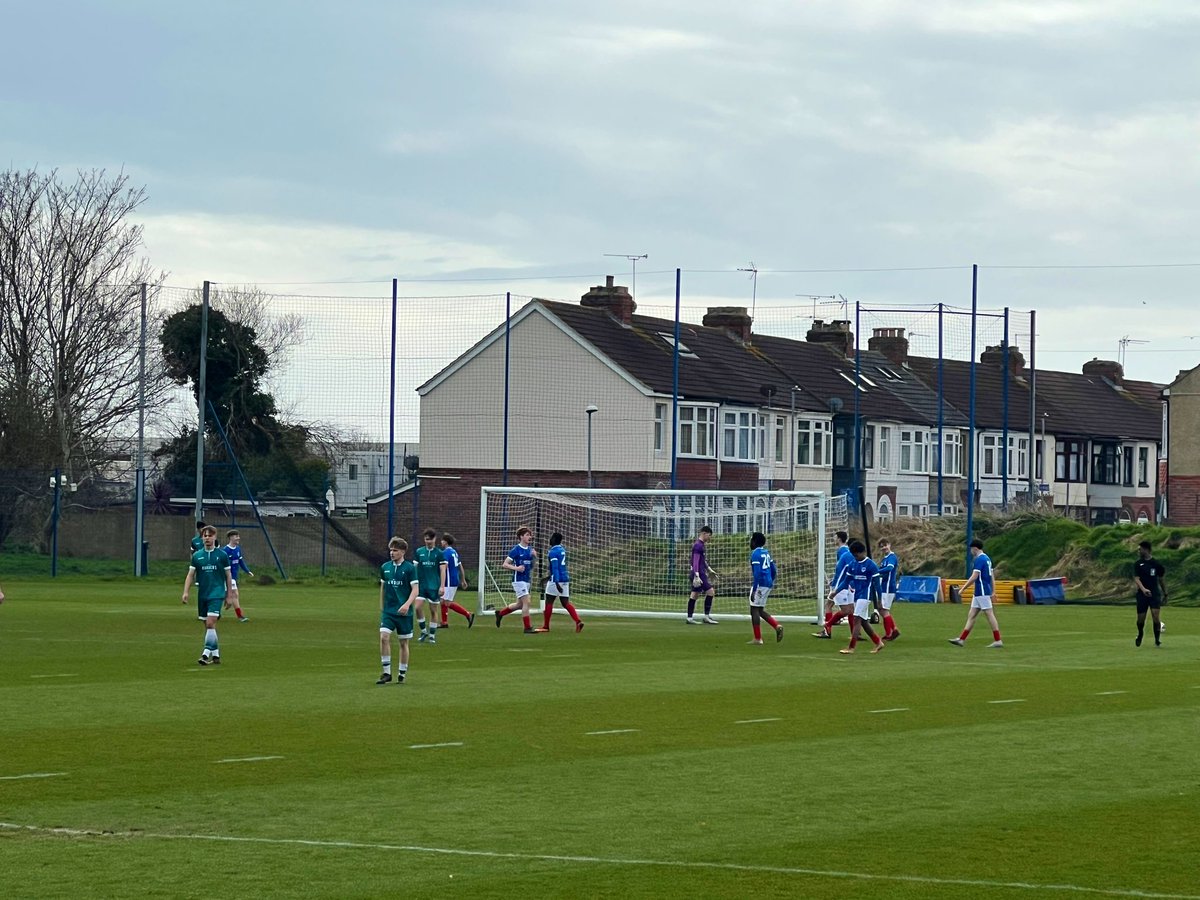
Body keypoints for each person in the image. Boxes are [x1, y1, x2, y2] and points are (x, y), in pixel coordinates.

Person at [181, 525, 232, 665]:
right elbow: (190, 575)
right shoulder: (197, 556)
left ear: (215, 537)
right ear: (202, 538)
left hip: (217, 593)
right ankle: (216, 655)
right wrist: (186, 592)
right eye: (205, 535)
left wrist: (229, 595)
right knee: (208, 625)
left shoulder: (222, 555)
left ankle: (205, 654)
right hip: (203, 594)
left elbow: (228, 576)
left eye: (210, 535)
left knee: (210, 622)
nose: (207, 538)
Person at [377, 537, 419, 684]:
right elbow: (383, 587)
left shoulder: (409, 568)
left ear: (402, 551)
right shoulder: (385, 567)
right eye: (391, 550)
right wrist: (382, 607)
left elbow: (415, 589)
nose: (392, 553)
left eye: (395, 550)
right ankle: (386, 673)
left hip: (404, 613)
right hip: (389, 612)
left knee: (403, 643)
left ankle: (402, 673)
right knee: (384, 637)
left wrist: (407, 604)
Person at [832, 539, 884, 654]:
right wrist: (836, 591)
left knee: (856, 619)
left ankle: (851, 647)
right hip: (857, 596)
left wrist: (880, 599)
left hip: (865, 596)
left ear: (862, 552)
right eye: (853, 555)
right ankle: (878, 642)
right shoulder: (853, 564)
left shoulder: (871, 565)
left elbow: (877, 584)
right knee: (864, 622)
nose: (855, 557)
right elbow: (846, 581)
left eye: (856, 555)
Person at [949, 539, 1003, 648]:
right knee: (972, 615)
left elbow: (974, 577)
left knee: (989, 614)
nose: (970, 552)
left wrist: (963, 589)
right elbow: (992, 576)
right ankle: (961, 639)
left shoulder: (979, 560)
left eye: (971, 549)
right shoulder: (987, 559)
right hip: (980, 592)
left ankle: (998, 640)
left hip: (982, 591)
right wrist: (993, 591)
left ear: (975, 548)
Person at [538, 532, 584, 633]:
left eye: (551, 538)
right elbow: (560, 567)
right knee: (565, 602)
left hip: (557, 579)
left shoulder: (553, 552)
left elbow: (555, 567)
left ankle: (546, 626)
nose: (549, 540)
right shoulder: (562, 550)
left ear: (554, 539)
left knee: (549, 601)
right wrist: (547, 578)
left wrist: (556, 583)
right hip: (565, 578)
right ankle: (578, 621)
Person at [496, 526, 537, 633]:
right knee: (527, 602)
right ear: (521, 537)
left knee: (519, 604)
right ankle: (527, 628)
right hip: (518, 580)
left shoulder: (530, 550)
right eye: (527, 535)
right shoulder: (516, 550)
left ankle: (500, 614)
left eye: (530, 535)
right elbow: (505, 564)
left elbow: (532, 566)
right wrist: (516, 568)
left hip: (527, 580)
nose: (530, 537)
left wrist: (534, 557)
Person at [814, 530, 853, 638]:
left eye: (835, 537)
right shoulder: (846, 551)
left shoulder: (842, 551)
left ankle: (828, 627)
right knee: (830, 605)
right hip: (844, 583)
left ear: (839, 539)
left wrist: (835, 582)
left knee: (846, 610)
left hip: (840, 585)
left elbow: (842, 569)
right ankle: (853, 632)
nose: (833, 539)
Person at [747, 532, 783, 644]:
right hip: (767, 583)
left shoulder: (755, 554)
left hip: (760, 584)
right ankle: (776, 626)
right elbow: (774, 570)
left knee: (754, 610)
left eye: (751, 540)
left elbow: (757, 573)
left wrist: (754, 589)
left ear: (754, 541)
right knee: (759, 610)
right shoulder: (766, 552)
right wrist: (771, 581)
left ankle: (758, 638)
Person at [1132, 540, 1167, 647]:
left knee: (1155, 617)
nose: (1138, 551)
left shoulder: (1156, 564)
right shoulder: (1138, 564)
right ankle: (1140, 634)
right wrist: (1144, 590)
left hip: (1154, 594)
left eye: (1140, 549)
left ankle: (1157, 640)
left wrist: (1165, 593)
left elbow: (1161, 579)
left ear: (1146, 550)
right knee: (1140, 620)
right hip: (1142, 595)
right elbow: (1137, 579)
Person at [438, 534, 475, 628]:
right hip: (454, 579)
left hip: (449, 580)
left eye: (442, 541)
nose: (441, 542)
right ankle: (444, 622)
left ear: (445, 542)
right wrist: (463, 579)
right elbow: (460, 567)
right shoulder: (454, 552)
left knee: (447, 602)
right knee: (443, 601)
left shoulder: (445, 552)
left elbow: (444, 567)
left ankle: (468, 614)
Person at [686, 525, 720, 625]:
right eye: (709, 535)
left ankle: (689, 617)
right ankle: (706, 616)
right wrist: (697, 575)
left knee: (694, 594)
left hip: (697, 573)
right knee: (710, 592)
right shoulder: (698, 545)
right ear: (704, 533)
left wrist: (709, 570)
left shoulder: (700, 544)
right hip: (699, 574)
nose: (709, 538)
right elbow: (695, 561)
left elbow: (702, 560)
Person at [413, 528, 441, 643]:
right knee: (418, 607)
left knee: (433, 610)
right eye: (426, 539)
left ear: (434, 539)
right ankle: (424, 631)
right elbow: (414, 568)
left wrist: (442, 586)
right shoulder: (419, 551)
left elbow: (443, 570)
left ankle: (432, 635)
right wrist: (414, 582)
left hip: (434, 586)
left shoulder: (439, 553)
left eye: (430, 539)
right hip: (421, 586)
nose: (428, 541)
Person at [221, 530, 252, 622]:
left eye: (238, 536)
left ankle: (227, 603)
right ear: (230, 538)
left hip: (233, 577)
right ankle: (239, 616)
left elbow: (241, 561)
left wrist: (247, 571)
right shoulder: (225, 550)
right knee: (232, 595)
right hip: (226, 577)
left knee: (232, 595)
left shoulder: (238, 549)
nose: (238, 538)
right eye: (236, 536)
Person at [877, 539, 901, 641]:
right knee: (881, 609)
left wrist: (876, 571)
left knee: (884, 610)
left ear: (889, 545)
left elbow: (889, 569)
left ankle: (890, 633)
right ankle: (893, 630)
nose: (884, 548)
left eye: (885, 545)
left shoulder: (892, 557)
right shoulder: (884, 559)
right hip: (884, 586)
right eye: (882, 546)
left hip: (888, 587)